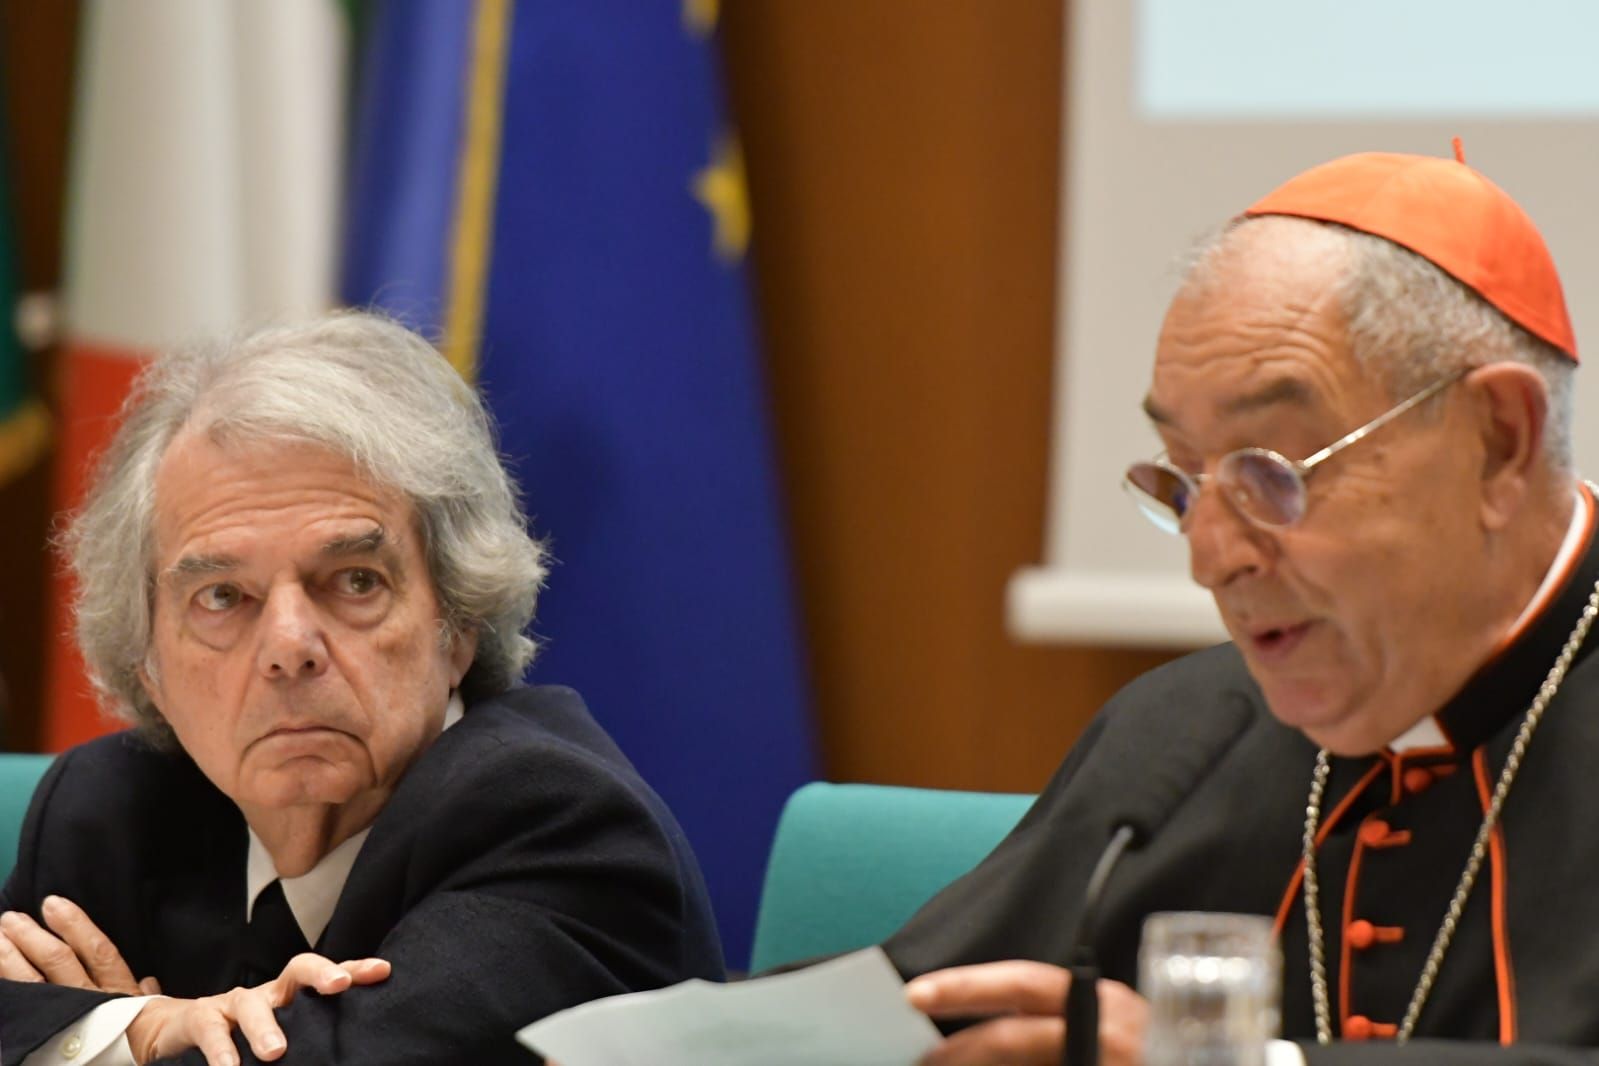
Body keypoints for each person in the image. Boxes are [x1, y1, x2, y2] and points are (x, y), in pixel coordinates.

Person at [886, 150, 1599, 1064]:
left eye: (1271, 473)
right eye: (1182, 482)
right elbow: (913, 1018)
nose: (1211, 560)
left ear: (1498, 443)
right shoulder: (1180, 735)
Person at [0, 313, 724, 1065]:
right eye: (221, 596)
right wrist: (143, 1030)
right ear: (147, 661)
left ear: (458, 620)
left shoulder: (558, 823)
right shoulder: (108, 812)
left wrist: (83, 1044)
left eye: (353, 582)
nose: (288, 647)